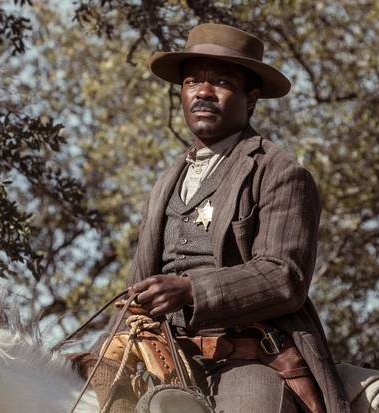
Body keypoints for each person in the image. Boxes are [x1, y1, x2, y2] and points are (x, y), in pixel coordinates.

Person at [121, 23, 350, 413]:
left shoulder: (279, 171)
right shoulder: (166, 181)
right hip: (163, 357)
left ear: (252, 99)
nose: (203, 92)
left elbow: (285, 277)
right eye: (192, 81)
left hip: (248, 358)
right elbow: (137, 286)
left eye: (222, 82)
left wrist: (192, 289)